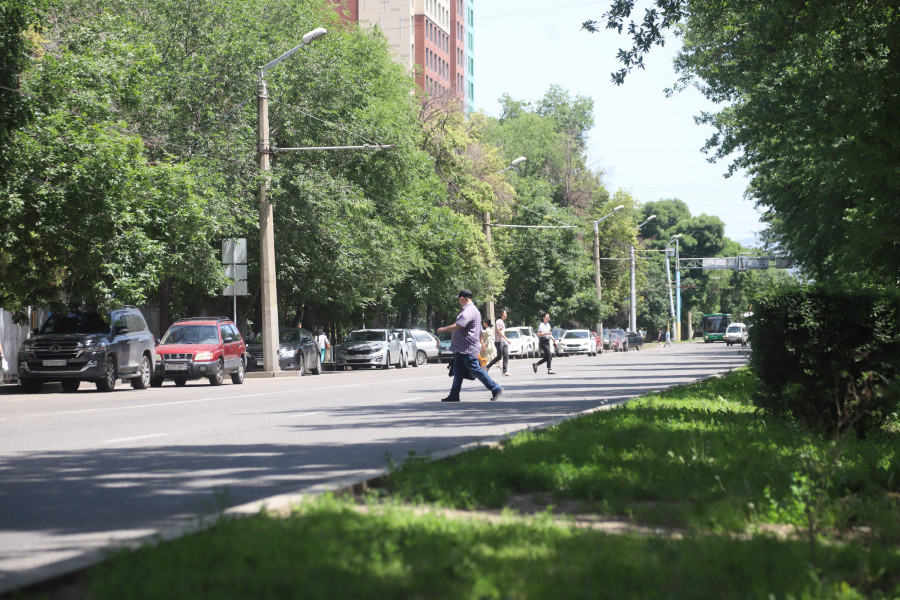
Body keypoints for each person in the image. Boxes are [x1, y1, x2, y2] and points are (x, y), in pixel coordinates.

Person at [437, 290, 503, 402]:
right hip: (462, 348)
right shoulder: (471, 310)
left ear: (462, 298)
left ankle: (496, 388)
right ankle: (454, 395)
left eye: (459, 298)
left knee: (476, 369)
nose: (459, 300)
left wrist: (444, 329)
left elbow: (459, 326)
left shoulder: (469, 310)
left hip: (467, 347)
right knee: (457, 371)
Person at [485, 308, 510, 376]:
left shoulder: (502, 321)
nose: (506, 314)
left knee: (506, 356)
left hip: (503, 341)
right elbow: (499, 332)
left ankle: (504, 371)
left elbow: (502, 332)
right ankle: (487, 367)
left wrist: (505, 340)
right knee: (499, 357)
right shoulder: (498, 321)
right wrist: (507, 339)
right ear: (501, 314)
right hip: (499, 341)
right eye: (505, 313)